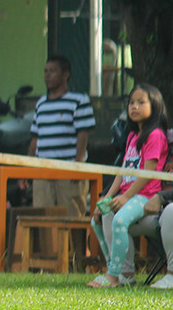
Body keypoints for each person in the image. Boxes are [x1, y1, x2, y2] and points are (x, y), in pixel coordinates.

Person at [88, 83, 169, 288]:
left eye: (141, 102)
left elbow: (147, 173)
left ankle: (113, 277)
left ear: (155, 106)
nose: (134, 107)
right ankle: (121, 272)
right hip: (128, 194)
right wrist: (109, 196)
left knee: (119, 220)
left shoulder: (156, 135)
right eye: (132, 102)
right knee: (98, 218)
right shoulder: (132, 136)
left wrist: (125, 197)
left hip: (144, 196)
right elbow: (124, 171)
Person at [27, 55, 96, 254]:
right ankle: (49, 260)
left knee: (73, 214)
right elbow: (35, 138)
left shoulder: (78, 100)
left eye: (53, 71)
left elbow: (83, 135)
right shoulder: (41, 104)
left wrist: (77, 165)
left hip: (69, 170)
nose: (47, 76)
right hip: (43, 171)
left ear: (65, 75)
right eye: (45, 71)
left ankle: (78, 259)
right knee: (43, 216)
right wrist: (28, 168)